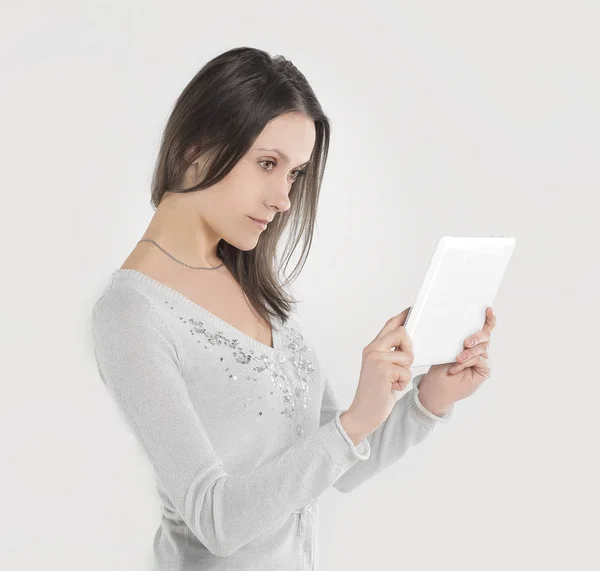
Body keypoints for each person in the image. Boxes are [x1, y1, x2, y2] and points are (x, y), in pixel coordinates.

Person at [90, 46, 454, 571]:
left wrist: (430, 397)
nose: (283, 198)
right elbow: (215, 520)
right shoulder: (131, 313)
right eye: (267, 164)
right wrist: (353, 424)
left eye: (294, 174)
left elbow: (340, 465)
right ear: (196, 150)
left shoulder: (252, 286)